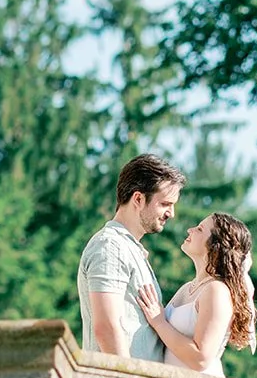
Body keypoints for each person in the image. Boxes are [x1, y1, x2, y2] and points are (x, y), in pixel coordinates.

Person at [77, 154, 186, 362]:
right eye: (165, 204)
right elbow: (106, 327)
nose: (171, 213)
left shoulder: (128, 249)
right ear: (138, 199)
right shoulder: (111, 246)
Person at [137, 212, 257, 375]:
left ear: (216, 246)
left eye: (200, 229)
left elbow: (201, 359)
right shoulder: (187, 288)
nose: (189, 230)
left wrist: (159, 323)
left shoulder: (217, 291)